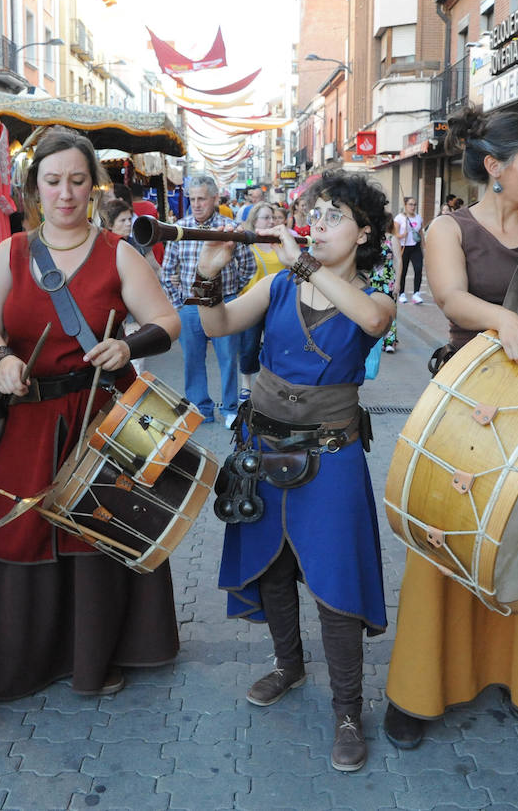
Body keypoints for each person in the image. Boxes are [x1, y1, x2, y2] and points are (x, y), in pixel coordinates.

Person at [383, 105, 518, 749]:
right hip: (466, 403)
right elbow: (449, 298)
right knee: (446, 533)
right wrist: (505, 322)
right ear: (495, 168)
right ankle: (419, 687)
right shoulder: (450, 227)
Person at [0, 126, 182, 700]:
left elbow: (167, 322)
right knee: (23, 532)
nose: (65, 193)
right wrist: (1, 357)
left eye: (77, 181)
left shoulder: (121, 254)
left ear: (94, 186)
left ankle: (98, 655)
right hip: (30, 420)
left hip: (101, 415)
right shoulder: (10, 251)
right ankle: (24, 659)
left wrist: (127, 347)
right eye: (53, 181)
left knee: (98, 534)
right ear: (34, 187)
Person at [193, 170, 395, 772]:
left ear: (363, 233)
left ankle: (348, 712)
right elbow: (218, 325)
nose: (320, 223)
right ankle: (288, 664)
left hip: (331, 456)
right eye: (318, 212)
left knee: (336, 585)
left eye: (335, 216)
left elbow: (373, 322)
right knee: (274, 567)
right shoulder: (279, 284)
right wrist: (207, 273)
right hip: (263, 446)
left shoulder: (376, 290)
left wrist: (307, 266)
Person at [160, 175, 255, 427]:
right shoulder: (179, 229)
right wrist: (178, 303)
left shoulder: (230, 229)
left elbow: (248, 266)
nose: (197, 204)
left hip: (223, 304)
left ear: (214, 199)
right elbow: (168, 271)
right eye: (192, 199)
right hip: (189, 305)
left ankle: (230, 409)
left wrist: (232, 293)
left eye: (202, 198)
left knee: (227, 358)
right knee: (192, 359)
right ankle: (199, 407)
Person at [236, 202, 285, 399]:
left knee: (277, 345)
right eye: (266, 217)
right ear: (255, 221)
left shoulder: (279, 242)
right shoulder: (247, 243)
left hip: (278, 303)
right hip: (252, 303)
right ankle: (246, 384)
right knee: (249, 345)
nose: (271, 221)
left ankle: (271, 384)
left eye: (272, 217)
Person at [395, 196, 425, 304]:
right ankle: (402, 293)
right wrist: (403, 235)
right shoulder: (399, 218)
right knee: (403, 271)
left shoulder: (418, 217)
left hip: (415, 247)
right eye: (410, 204)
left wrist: (424, 247)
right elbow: (395, 234)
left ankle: (416, 293)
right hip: (404, 247)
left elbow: (421, 233)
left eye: (414, 204)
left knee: (418, 269)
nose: (413, 207)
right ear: (405, 205)